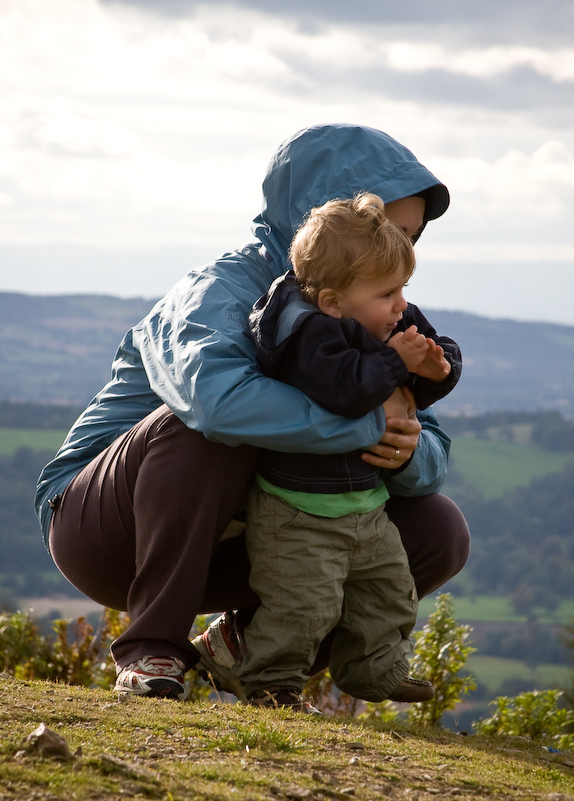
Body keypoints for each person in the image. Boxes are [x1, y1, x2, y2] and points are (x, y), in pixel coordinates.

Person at [34, 123, 471, 701]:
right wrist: (367, 424)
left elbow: (428, 438)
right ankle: (152, 650)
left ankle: (249, 651)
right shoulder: (216, 292)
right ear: (327, 218)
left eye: (411, 237)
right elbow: (215, 406)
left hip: (255, 531)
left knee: (437, 530)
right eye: (388, 229)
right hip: (107, 529)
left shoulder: (374, 306)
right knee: (199, 428)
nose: (404, 253)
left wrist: (409, 450)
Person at [230, 192, 462, 711]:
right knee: (301, 607)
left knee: (389, 592)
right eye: (388, 293)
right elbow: (345, 391)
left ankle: (375, 671)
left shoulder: (377, 318)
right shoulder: (308, 335)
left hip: (364, 506)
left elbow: (430, 350)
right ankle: (271, 684)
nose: (401, 304)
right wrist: (397, 362)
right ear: (333, 302)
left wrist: (438, 367)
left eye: (404, 289)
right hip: (298, 513)